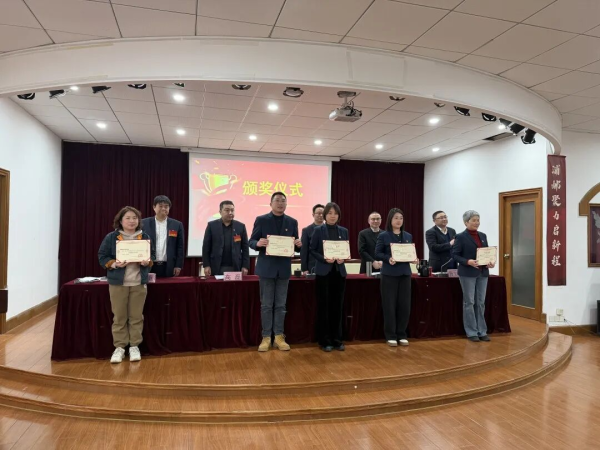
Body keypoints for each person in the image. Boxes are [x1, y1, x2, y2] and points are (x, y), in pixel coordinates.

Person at [98, 206, 155, 364]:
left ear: (139, 220)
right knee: (119, 316)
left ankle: (134, 346)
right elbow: (102, 256)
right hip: (118, 284)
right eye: (128, 218)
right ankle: (120, 347)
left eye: (135, 218)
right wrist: (114, 264)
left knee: (136, 316)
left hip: (138, 283)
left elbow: (152, 255)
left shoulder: (144, 237)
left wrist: (147, 261)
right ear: (121, 220)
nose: (131, 221)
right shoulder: (112, 237)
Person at [249, 192, 301, 352]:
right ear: (270, 203)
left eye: (283, 201)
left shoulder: (292, 221)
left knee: (280, 305)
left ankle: (279, 336)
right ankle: (266, 337)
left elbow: (295, 245)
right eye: (277, 200)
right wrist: (258, 243)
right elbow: (251, 241)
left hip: (283, 269)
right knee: (266, 305)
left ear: (286, 204)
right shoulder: (261, 220)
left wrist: (299, 245)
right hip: (266, 269)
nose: (280, 203)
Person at [375, 208, 417, 347]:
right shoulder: (383, 236)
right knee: (389, 305)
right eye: (396, 218)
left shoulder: (408, 236)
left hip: (405, 274)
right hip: (389, 274)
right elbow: (378, 253)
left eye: (401, 218)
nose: (399, 220)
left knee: (404, 305)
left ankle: (401, 334)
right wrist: (388, 258)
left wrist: (414, 259)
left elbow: (410, 253)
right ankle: (391, 335)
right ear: (390, 220)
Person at [310, 202, 348, 352]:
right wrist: (324, 259)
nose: (333, 216)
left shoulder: (344, 231)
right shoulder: (318, 230)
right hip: (323, 273)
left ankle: (337, 339)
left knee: (337, 307)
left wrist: (343, 258)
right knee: (324, 307)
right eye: (330, 213)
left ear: (339, 215)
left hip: (339, 272)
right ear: (325, 215)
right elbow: (313, 250)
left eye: (335, 213)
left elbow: (345, 250)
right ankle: (325, 340)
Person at [452, 210, 495, 343]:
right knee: (469, 302)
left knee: (480, 303)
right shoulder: (460, 237)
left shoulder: (483, 235)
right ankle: (471, 332)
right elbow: (454, 255)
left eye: (478, 220)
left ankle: (482, 331)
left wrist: (490, 262)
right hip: (467, 273)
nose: (477, 223)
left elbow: (486, 253)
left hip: (483, 272)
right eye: (474, 220)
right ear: (466, 222)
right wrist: (467, 261)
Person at [202, 200, 250, 276]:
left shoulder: (240, 226)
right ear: (220, 212)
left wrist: (245, 266)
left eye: (232, 210)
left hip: (235, 266)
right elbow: (206, 247)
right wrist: (206, 265)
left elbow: (245, 248)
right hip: (216, 265)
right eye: (227, 210)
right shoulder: (212, 226)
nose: (230, 213)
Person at [141, 195, 184, 278]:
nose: (163, 209)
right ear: (154, 207)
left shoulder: (177, 225)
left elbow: (180, 247)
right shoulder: (144, 223)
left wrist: (178, 265)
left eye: (166, 206)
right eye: (160, 206)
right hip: (148, 265)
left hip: (169, 265)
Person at [300, 204, 325, 275]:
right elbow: (304, 251)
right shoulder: (307, 230)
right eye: (318, 213)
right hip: (312, 266)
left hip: (327, 265)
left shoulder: (329, 229)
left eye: (323, 213)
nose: (321, 215)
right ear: (313, 215)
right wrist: (304, 268)